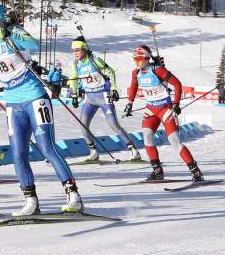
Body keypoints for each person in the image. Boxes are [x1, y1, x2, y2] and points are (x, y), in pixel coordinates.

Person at [0, 2, 83, 216]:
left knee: (46, 148)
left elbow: (34, 44)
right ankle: (30, 200)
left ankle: (73, 195)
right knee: (18, 153)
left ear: (0, 20)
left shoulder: (14, 32)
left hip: (34, 98)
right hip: (13, 103)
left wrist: (9, 35)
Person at [124, 45, 203, 182]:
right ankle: (157, 170)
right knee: (147, 138)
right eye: (134, 58)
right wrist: (130, 103)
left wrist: (176, 103)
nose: (136, 61)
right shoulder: (135, 73)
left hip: (165, 108)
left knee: (174, 141)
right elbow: (133, 87)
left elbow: (177, 84)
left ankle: (195, 171)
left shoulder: (158, 70)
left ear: (147, 58)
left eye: (139, 58)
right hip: (150, 110)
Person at [66, 37, 141, 162]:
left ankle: (134, 150)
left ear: (84, 49)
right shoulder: (75, 64)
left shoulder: (94, 59)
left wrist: (114, 89)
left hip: (103, 97)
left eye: (77, 50)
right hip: (90, 99)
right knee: (83, 125)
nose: (75, 53)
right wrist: (74, 95)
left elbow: (111, 72)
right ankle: (93, 151)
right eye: (73, 50)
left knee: (113, 124)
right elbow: (73, 79)